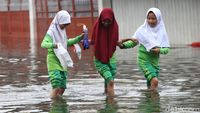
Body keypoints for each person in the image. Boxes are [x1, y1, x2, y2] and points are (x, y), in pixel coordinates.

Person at [118, 7, 170, 90]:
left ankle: (148, 100)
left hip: (155, 63)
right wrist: (123, 45)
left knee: (150, 84)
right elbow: (133, 42)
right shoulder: (142, 30)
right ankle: (154, 102)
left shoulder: (162, 32)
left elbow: (167, 50)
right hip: (144, 61)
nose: (150, 21)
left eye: (153, 19)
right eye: (149, 18)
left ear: (158, 19)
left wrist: (159, 50)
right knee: (155, 81)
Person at [41, 10, 84, 98]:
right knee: (56, 85)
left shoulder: (62, 32)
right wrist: (54, 45)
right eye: (64, 24)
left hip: (62, 60)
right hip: (53, 60)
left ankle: (58, 102)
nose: (65, 26)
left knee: (62, 87)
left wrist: (79, 38)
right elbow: (43, 44)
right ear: (58, 21)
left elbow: (66, 43)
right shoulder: (51, 32)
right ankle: (52, 105)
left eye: (67, 24)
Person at [91, 8, 119, 96]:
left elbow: (116, 42)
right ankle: (112, 104)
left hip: (111, 58)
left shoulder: (115, 26)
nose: (106, 24)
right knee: (110, 80)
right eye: (104, 22)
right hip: (99, 58)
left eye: (108, 22)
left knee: (109, 82)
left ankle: (107, 97)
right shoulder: (97, 26)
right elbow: (93, 41)